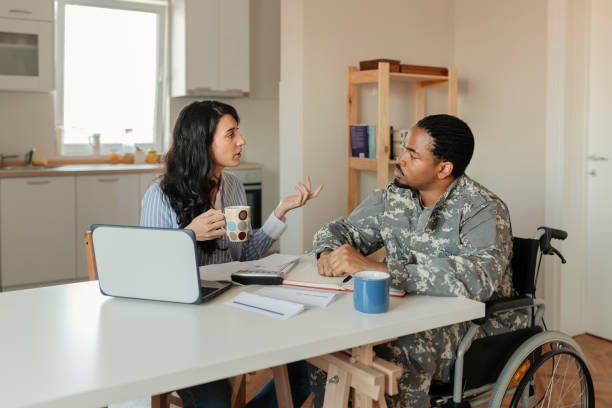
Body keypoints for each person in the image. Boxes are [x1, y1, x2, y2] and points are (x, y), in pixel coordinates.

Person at [310, 114, 523, 407]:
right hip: (408, 308)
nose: (400, 160)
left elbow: (479, 277)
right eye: (403, 149)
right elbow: (342, 230)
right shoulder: (394, 196)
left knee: (403, 346)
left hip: (477, 323)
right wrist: (328, 251)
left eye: (413, 155)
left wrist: (379, 269)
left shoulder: (483, 208)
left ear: (443, 168)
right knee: (331, 338)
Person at [140, 100, 321, 408]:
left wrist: (280, 212)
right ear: (203, 142)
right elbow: (151, 278)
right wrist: (189, 236)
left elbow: (244, 252)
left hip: (235, 314)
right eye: (231, 133)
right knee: (216, 403)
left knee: (305, 370)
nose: (242, 140)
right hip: (183, 331)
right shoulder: (161, 196)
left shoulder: (233, 187)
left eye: (239, 131)